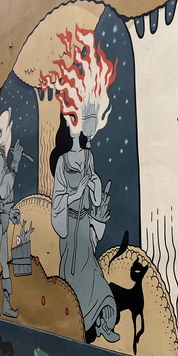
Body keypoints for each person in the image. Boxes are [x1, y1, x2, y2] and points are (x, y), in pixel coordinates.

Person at [50, 116, 118, 343]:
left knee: (93, 274)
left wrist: (94, 185)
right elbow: (58, 200)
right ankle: (77, 322)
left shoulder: (88, 157)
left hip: (84, 223)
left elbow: (95, 197)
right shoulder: (62, 161)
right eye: (70, 120)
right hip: (69, 227)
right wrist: (77, 193)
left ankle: (104, 322)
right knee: (73, 277)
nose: (74, 124)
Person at [0, 108, 23, 317]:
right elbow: (3, 191)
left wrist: (10, 212)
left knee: (3, 262)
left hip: (2, 219)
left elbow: (2, 197)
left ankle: (4, 305)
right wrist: (16, 162)